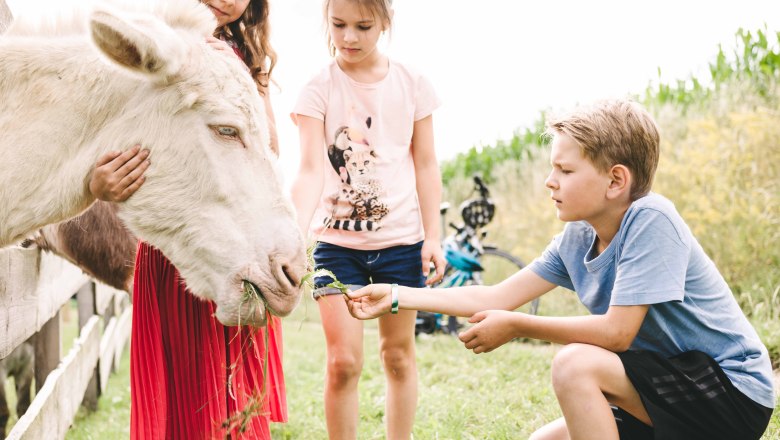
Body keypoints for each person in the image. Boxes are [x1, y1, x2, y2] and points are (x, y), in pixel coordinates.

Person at [345, 99, 776, 440]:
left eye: (565, 170)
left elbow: (616, 333)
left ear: (615, 181)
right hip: (670, 385)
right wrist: (398, 295)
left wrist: (518, 325)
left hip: (730, 393)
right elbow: (493, 297)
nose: (550, 181)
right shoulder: (577, 236)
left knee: (575, 365)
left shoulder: (652, 219)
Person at [88, 1, 286, 438]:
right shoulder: (152, 44)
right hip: (177, 248)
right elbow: (101, 131)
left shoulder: (245, 58)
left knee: (234, 394)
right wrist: (96, 183)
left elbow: (269, 147)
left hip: (235, 238)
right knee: (184, 392)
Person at [289, 0, 446, 438]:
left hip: (401, 245)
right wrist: (295, 237)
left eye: (363, 26)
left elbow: (427, 164)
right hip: (336, 248)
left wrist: (432, 237)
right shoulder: (317, 89)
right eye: (338, 25)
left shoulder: (413, 84)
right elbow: (309, 170)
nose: (349, 37)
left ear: (385, 22)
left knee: (397, 356)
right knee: (343, 363)